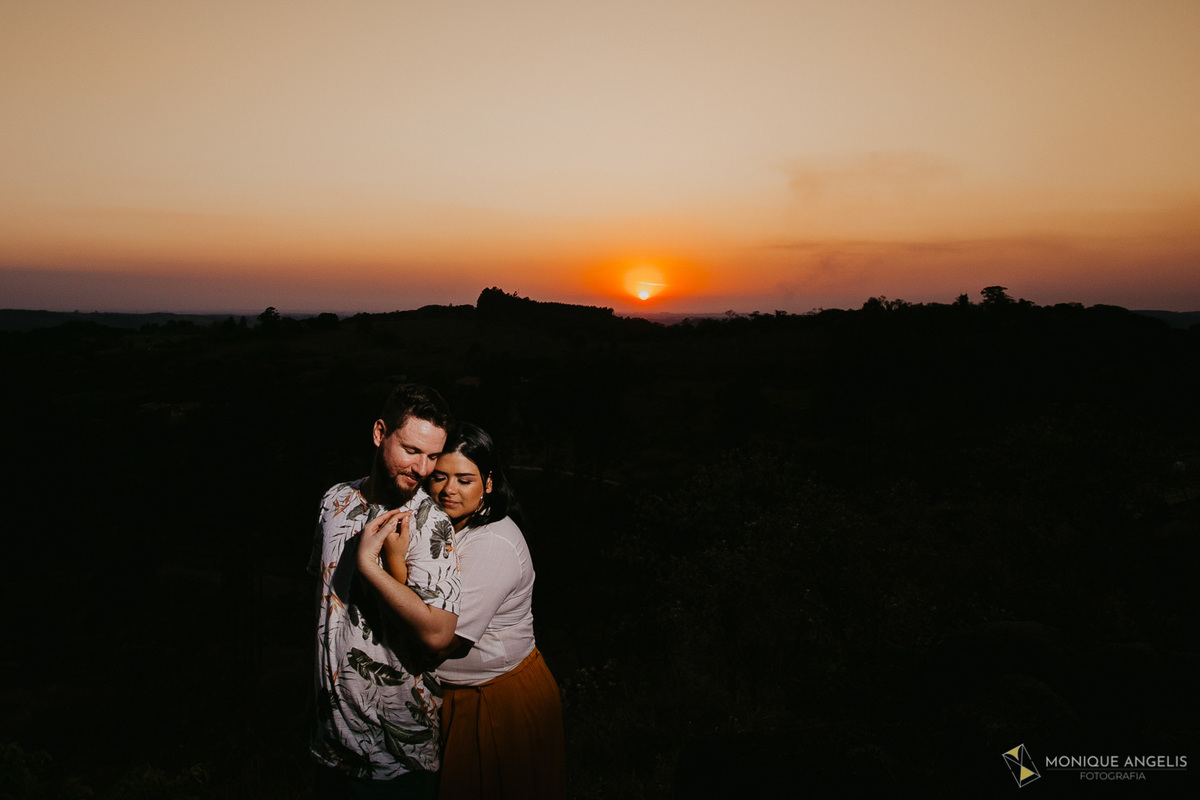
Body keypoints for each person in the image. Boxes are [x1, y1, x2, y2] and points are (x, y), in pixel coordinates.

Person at [387, 423, 566, 800]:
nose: (448, 490)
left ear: (488, 483)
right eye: (439, 477)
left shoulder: (493, 543)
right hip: (459, 697)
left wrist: (393, 565)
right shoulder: (445, 526)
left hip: (497, 701)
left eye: (464, 479)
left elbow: (438, 642)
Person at [310, 384, 461, 799]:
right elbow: (324, 603)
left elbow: (438, 635)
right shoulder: (334, 501)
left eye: (433, 456)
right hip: (329, 746)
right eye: (412, 450)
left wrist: (369, 567)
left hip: (397, 757)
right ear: (380, 433)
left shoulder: (430, 523)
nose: (423, 468)